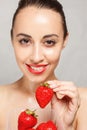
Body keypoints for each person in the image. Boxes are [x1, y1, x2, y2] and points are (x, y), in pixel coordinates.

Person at [0, 0, 87, 130]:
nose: (36, 57)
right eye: (24, 41)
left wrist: (65, 127)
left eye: (49, 42)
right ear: (12, 39)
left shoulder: (84, 102)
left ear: (64, 40)